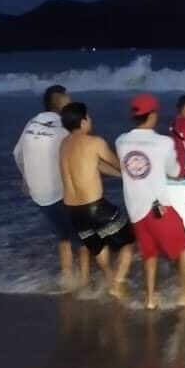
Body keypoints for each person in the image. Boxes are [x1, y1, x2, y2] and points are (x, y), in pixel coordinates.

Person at [116, 94, 185, 310]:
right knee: (183, 246)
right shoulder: (163, 143)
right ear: (153, 115)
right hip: (158, 208)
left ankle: (151, 299)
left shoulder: (121, 141)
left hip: (135, 209)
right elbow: (173, 171)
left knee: (149, 253)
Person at [13, 85, 90, 289]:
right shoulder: (65, 128)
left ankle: (66, 277)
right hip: (59, 193)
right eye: (69, 98)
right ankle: (84, 285)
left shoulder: (32, 122)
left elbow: (17, 153)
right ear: (62, 103)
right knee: (83, 238)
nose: (72, 100)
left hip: (38, 194)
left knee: (63, 235)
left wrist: (25, 178)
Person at [58, 102, 137, 299]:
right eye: (89, 117)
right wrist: (136, 173)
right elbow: (117, 163)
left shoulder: (64, 144)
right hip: (95, 208)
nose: (91, 121)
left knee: (98, 246)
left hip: (72, 211)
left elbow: (99, 166)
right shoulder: (95, 142)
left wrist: (121, 176)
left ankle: (110, 281)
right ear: (83, 120)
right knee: (129, 240)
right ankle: (118, 283)